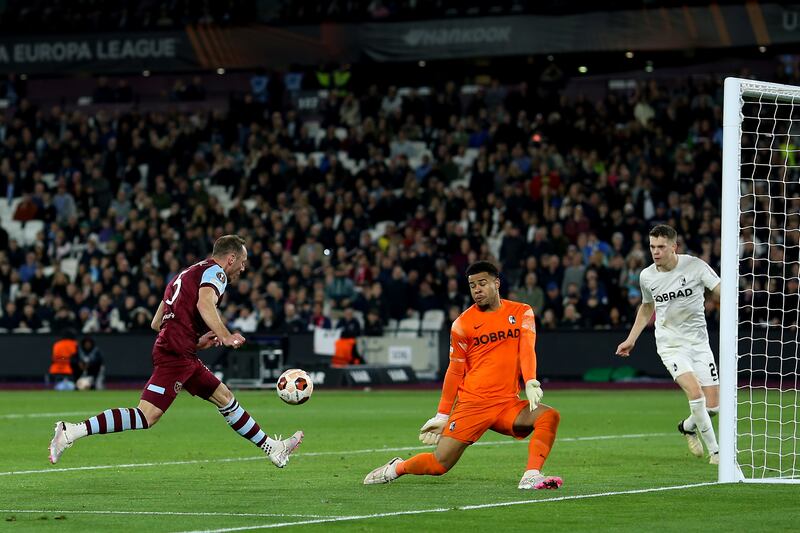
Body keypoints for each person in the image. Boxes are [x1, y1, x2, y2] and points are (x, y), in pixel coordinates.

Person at [48, 235, 303, 467]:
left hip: (181, 350)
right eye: (243, 262)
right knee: (146, 416)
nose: (243, 268)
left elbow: (156, 322)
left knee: (224, 397)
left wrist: (195, 341)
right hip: (176, 353)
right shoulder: (217, 273)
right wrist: (225, 336)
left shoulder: (185, 274)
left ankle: (272, 447)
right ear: (231, 258)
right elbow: (205, 303)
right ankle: (71, 431)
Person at [363, 260, 562, 490]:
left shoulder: (521, 312)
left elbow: (527, 349)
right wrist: (442, 414)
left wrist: (530, 381)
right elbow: (455, 370)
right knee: (439, 464)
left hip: (506, 404)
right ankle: (397, 467)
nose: (477, 289)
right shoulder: (462, 324)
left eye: (482, 283)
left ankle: (531, 475)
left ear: (497, 283)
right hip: (472, 405)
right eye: (472, 285)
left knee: (548, 416)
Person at [615, 224, 721, 464]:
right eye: (652, 247)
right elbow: (647, 307)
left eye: (661, 247)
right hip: (670, 345)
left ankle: (687, 426)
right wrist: (631, 339)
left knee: (713, 408)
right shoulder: (647, 276)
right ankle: (716, 452)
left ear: (674, 247)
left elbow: (720, 290)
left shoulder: (695, 266)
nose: (656, 252)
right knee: (695, 393)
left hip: (699, 344)